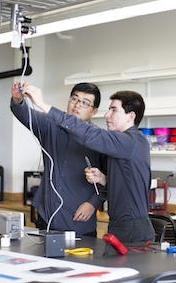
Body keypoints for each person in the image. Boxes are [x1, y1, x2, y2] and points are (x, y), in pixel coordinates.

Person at [20, 83, 155, 243]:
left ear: (130, 116)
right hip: (119, 226)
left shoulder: (129, 141)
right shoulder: (122, 144)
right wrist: (102, 178)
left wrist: (42, 104)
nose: (107, 115)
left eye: (114, 110)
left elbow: (89, 133)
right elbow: (124, 184)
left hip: (132, 229)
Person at [10, 82, 107, 237]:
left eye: (85, 103)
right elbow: (25, 114)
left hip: (79, 221)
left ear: (94, 111)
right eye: (74, 99)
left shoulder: (99, 139)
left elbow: (109, 181)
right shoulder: (50, 125)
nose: (77, 105)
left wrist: (93, 203)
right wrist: (17, 100)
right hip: (46, 217)